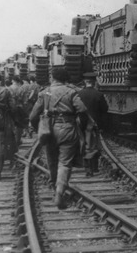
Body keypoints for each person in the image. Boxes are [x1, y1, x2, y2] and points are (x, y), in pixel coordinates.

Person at [30, 67, 88, 209]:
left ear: (53, 78)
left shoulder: (44, 93)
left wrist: (36, 126)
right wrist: (82, 126)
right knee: (65, 163)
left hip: (48, 129)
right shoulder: (71, 92)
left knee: (52, 160)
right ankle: (59, 193)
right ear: (65, 78)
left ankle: (53, 186)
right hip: (67, 128)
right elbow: (83, 110)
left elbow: (33, 115)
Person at [77, 73, 108, 176]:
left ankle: (87, 168)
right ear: (94, 82)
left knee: (83, 145)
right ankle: (94, 167)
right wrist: (102, 125)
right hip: (94, 124)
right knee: (94, 145)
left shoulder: (79, 94)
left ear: (85, 82)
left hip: (81, 123)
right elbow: (105, 110)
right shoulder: (99, 94)